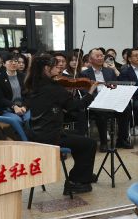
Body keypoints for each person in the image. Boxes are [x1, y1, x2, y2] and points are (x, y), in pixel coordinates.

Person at [23, 54, 98, 195]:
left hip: (38, 132)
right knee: (90, 144)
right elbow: (76, 106)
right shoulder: (53, 88)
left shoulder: (34, 84)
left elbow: (55, 104)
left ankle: (83, 173)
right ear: (47, 68)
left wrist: (64, 96)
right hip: (50, 136)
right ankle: (76, 181)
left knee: (79, 136)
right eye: (56, 67)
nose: (60, 69)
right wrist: (90, 93)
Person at [81, 48, 121, 152]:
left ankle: (122, 139)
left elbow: (115, 86)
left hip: (110, 99)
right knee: (101, 112)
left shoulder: (110, 71)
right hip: (95, 101)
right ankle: (103, 142)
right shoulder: (85, 73)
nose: (100, 58)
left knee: (126, 108)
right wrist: (99, 98)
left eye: (102, 56)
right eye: (97, 56)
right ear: (90, 59)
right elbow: (85, 92)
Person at [0, 52, 26, 116]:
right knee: (16, 120)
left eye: (16, 61)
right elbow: (0, 98)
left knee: (29, 118)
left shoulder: (23, 76)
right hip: (8, 108)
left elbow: (28, 94)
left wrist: (25, 106)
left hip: (23, 107)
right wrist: (14, 106)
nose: (14, 63)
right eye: (10, 61)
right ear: (4, 64)